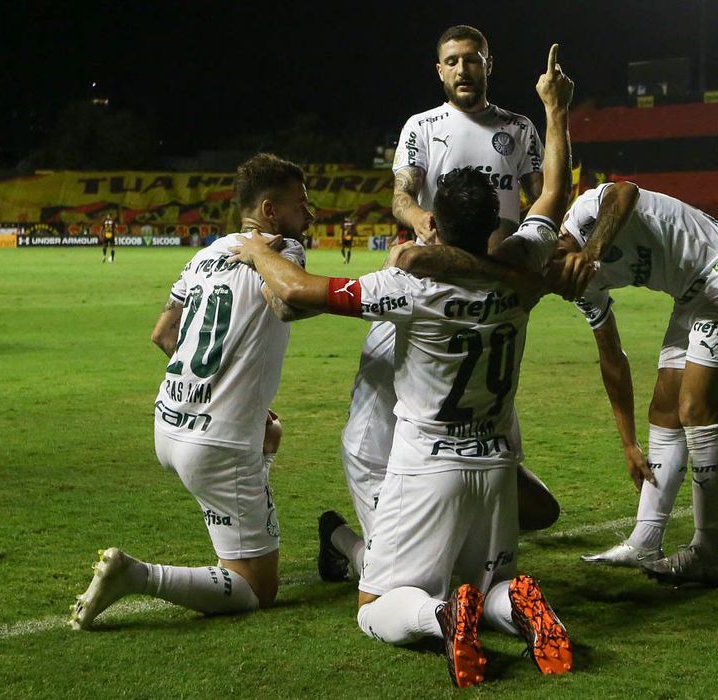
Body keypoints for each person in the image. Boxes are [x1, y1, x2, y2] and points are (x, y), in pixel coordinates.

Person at [232, 45, 574, 688]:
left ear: (435, 222)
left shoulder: (411, 290)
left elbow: (305, 291)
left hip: (428, 465)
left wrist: (253, 246)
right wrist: (557, 109)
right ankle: (516, 605)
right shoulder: (525, 272)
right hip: (497, 461)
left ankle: (444, 614)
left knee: (376, 605)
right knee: (491, 580)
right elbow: (553, 193)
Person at [320, 24, 558, 585]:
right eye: (451, 62)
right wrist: (418, 218)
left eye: (471, 60)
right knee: (373, 424)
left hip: (490, 295)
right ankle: (385, 538)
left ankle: (461, 532)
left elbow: (543, 195)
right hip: (425, 294)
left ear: (488, 64)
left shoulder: (517, 128)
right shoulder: (421, 127)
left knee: (489, 423)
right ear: (440, 71)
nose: (461, 70)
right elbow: (403, 192)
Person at [69, 154, 314, 630]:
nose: (309, 214)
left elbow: (164, 333)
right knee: (256, 590)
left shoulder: (203, 254)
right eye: (300, 204)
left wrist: (219, 389)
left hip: (169, 422)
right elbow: (288, 304)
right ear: (268, 211)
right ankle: (136, 575)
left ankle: (256, 463)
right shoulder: (283, 250)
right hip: (216, 445)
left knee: (264, 440)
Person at [552, 182, 718, 588]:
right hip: (693, 297)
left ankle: (709, 553)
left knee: (695, 410)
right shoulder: (576, 284)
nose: (562, 289)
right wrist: (628, 442)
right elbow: (612, 358)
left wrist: (592, 253)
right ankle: (645, 540)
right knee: (665, 411)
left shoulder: (585, 214)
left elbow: (624, 192)